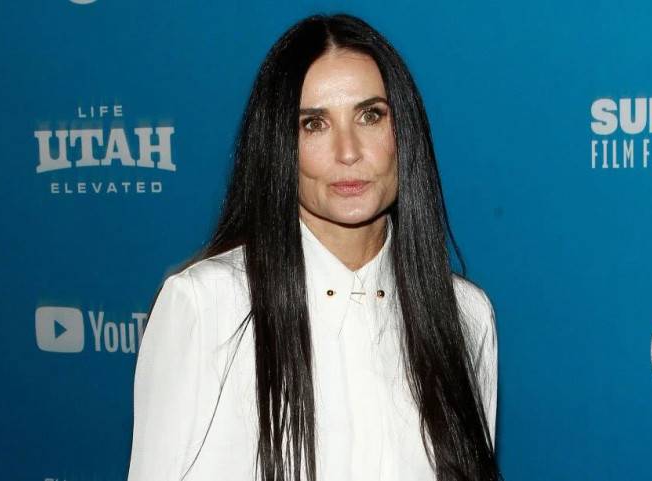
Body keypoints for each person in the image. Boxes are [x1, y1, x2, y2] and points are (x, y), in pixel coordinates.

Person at [127, 13, 500, 481]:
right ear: (278, 145)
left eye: (370, 116)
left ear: (404, 133)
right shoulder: (206, 306)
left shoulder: (464, 315)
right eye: (314, 124)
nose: (348, 151)